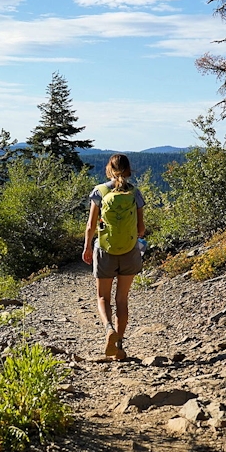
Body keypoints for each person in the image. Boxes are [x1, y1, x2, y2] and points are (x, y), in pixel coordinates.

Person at [82, 153, 146, 360]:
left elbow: (91, 226)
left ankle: (109, 329)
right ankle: (119, 347)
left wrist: (87, 248)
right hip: (129, 250)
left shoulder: (99, 191)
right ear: (128, 170)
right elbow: (141, 229)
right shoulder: (135, 193)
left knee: (103, 297)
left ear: (109, 169)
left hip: (105, 250)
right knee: (122, 301)